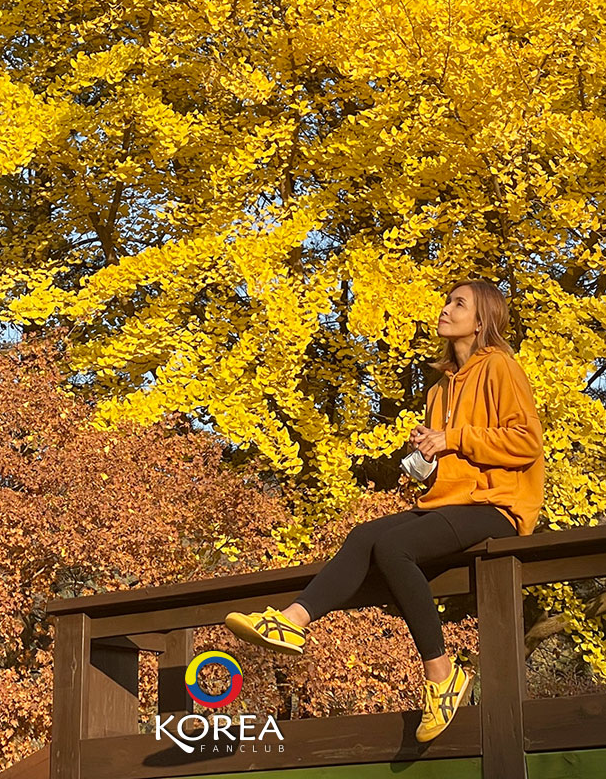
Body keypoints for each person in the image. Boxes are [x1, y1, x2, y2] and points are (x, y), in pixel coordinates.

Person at [225, 279, 544, 743]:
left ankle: (441, 676)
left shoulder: (500, 368)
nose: (446, 309)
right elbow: (451, 463)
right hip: (451, 501)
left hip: (498, 504)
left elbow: (527, 441)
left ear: (481, 321)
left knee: (395, 547)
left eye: (459, 304)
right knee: (363, 536)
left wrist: (451, 439)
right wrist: (427, 459)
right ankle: (291, 622)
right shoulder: (438, 390)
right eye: (447, 300)